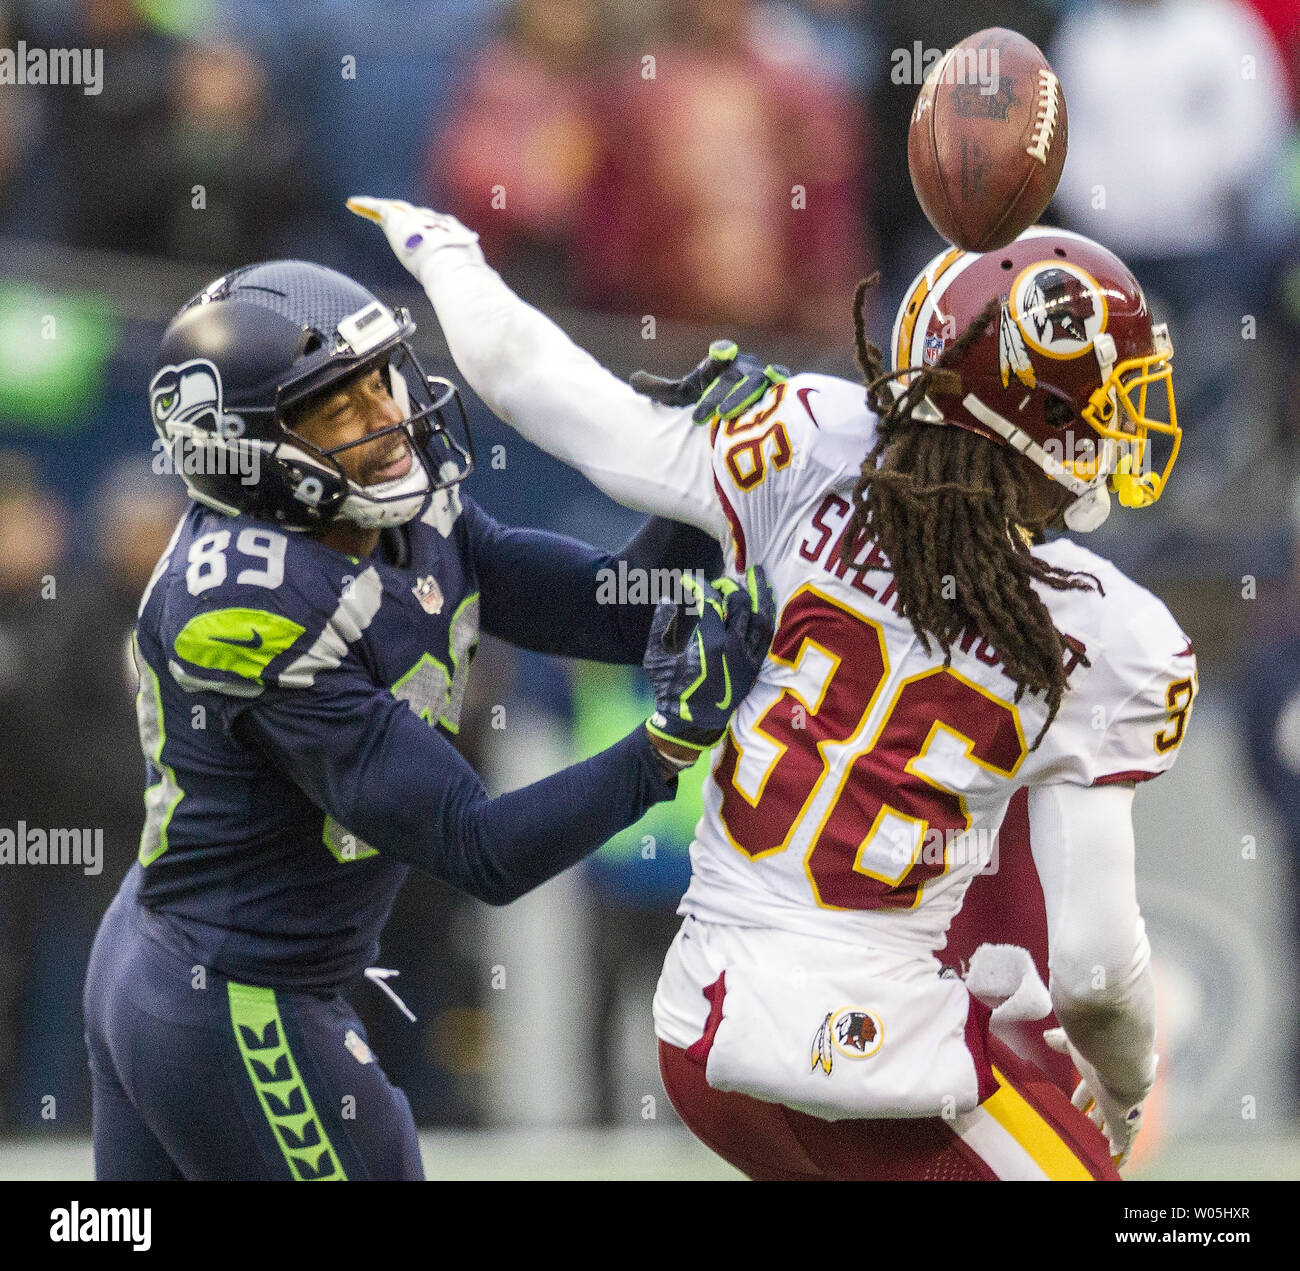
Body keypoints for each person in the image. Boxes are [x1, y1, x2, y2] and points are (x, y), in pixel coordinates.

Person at [351, 198, 1197, 1180]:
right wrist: (1124, 1084)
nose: (1123, 421)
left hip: (703, 1031)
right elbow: (1093, 969)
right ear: (1040, 420)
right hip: (868, 1063)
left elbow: (537, 386)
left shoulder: (808, 444)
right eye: (1106, 399)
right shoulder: (1106, 631)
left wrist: (444, 252)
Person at [82, 259, 774, 1181]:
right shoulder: (251, 604)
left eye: (380, 378)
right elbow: (478, 845)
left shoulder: (398, 512)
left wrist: (709, 473)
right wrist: (664, 748)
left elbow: (612, 609)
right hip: (234, 994)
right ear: (244, 453)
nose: (385, 416)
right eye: (339, 406)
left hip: (207, 963)